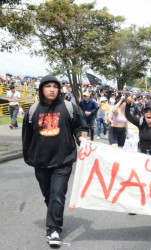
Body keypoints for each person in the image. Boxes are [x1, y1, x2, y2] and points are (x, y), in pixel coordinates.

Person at [22, 75, 88, 246]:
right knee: (49, 196)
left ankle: (53, 229)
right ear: (41, 89)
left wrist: (81, 137)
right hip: (41, 162)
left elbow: (80, 127)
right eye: (48, 86)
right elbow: (26, 137)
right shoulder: (33, 110)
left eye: (55, 86)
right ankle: (55, 215)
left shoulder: (68, 107)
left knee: (57, 195)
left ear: (59, 89)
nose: (52, 89)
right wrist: (29, 157)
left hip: (63, 161)